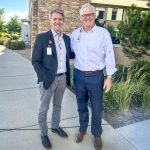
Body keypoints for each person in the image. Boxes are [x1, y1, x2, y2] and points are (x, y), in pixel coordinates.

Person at [70, 3, 116, 150]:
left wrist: (109, 77)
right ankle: (82, 130)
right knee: (81, 106)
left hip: (96, 77)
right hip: (78, 75)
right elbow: (70, 52)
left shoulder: (103, 34)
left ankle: (97, 134)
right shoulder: (75, 34)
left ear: (94, 16)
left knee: (96, 108)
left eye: (90, 14)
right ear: (81, 18)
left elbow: (109, 55)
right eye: (84, 15)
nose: (87, 17)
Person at [32, 7, 74, 149]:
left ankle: (55, 127)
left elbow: (71, 55)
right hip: (48, 80)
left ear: (63, 21)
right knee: (44, 108)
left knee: (58, 105)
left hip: (62, 78)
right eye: (54, 19)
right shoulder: (42, 38)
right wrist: (42, 77)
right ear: (50, 20)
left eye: (60, 19)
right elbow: (35, 61)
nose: (57, 21)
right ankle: (44, 133)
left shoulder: (67, 39)